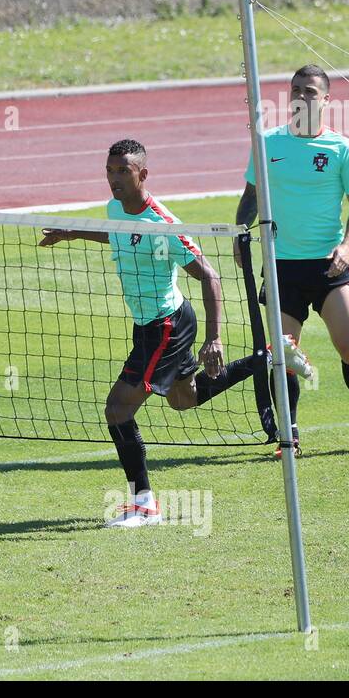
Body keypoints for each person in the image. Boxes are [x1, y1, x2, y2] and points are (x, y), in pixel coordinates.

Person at [42, 139, 262, 528]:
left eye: (122, 171)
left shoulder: (163, 224)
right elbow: (119, 235)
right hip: (154, 323)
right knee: (184, 398)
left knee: (117, 409)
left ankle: (144, 504)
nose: (114, 179)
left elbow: (209, 275)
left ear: (143, 174)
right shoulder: (116, 208)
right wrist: (73, 233)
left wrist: (215, 338)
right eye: (110, 171)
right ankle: (270, 357)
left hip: (166, 326)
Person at [235, 64, 349, 457]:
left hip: (329, 267)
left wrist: (348, 247)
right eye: (295, 90)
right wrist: (239, 238)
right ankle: (290, 436)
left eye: (309, 91)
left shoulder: (342, 149)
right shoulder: (267, 143)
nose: (301, 97)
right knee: (284, 357)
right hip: (281, 268)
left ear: (326, 99)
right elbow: (251, 198)